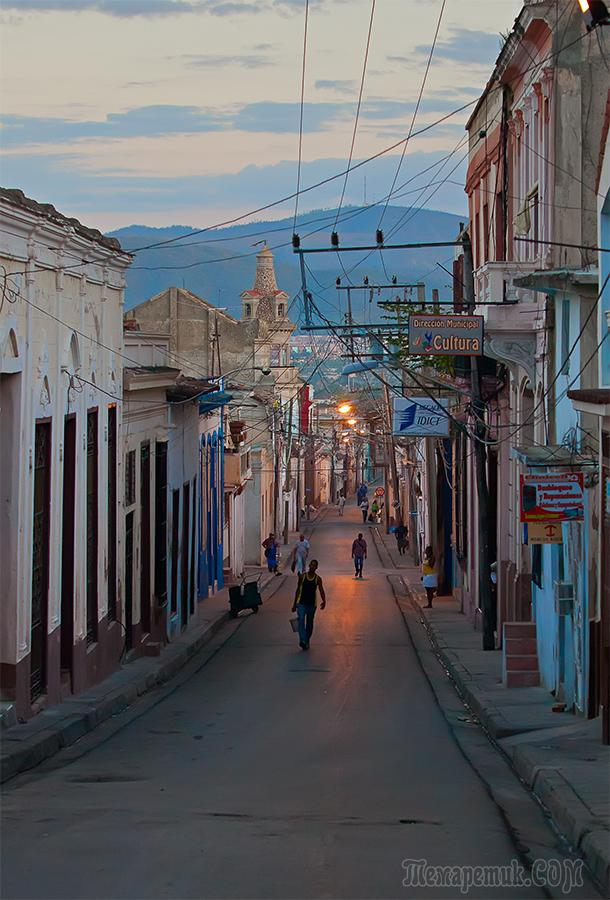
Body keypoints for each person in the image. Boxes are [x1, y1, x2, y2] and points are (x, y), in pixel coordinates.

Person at [292, 559, 326, 650]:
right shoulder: (303, 577)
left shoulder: (318, 579)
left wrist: (324, 601)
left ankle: (306, 641)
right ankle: (302, 640)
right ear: (309, 566)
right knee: (301, 619)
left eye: (314, 565)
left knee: (310, 623)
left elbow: (321, 590)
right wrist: (294, 604)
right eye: (311, 565)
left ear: (316, 568)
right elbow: (298, 590)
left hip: (311, 605)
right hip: (301, 603)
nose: (312, 567)